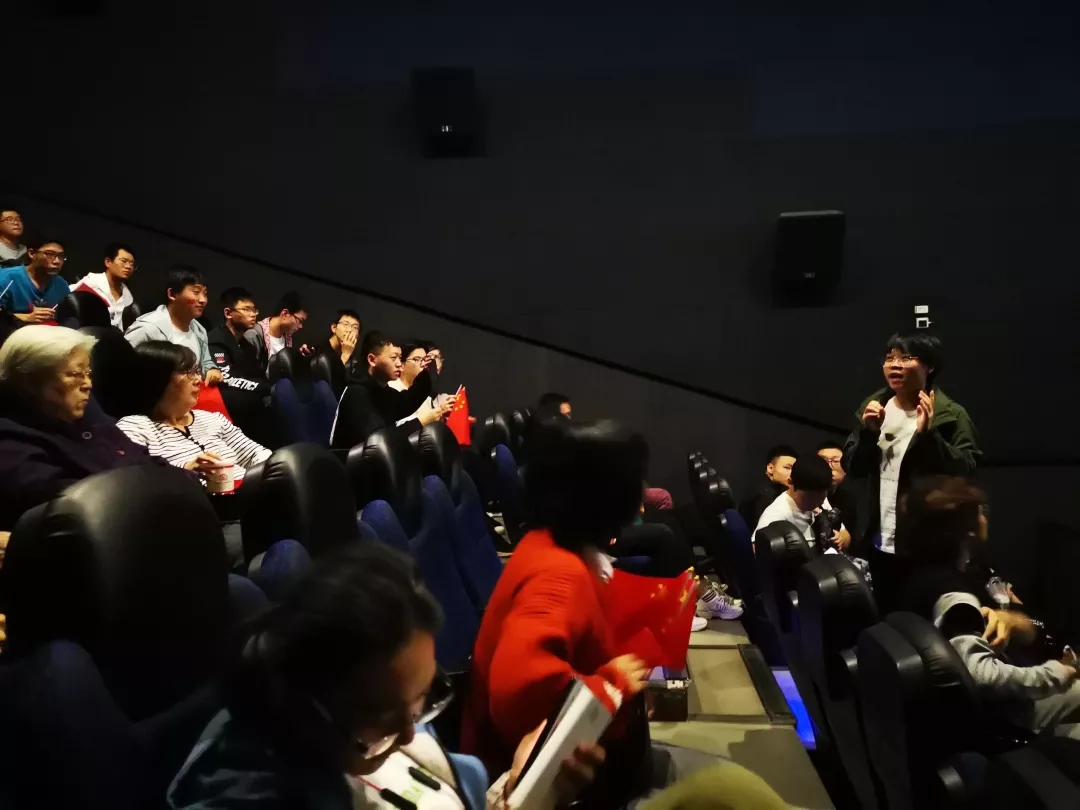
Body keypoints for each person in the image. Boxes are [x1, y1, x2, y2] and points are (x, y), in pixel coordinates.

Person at [168, 542, 604, 810]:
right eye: (384, 719)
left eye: (421, 701)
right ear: (312, 706)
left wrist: (525, 794)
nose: (410, 735)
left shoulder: (367, 715)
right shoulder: (249, 794)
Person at [461, 419, 719, 809]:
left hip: (598, 765)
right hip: (564, 788)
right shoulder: (559, 574)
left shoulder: (550, 544)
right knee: (731, 789)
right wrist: (612, 686)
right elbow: (516, 694)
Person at [900, 476, 1080, 740]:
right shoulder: (955, 596)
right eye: (981, 511)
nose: (985, 517)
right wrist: (1056, 673)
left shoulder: (923, 573)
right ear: (968, 529)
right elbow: (980, 675)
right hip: (1001, 716)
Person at [844, 332, 980, 613]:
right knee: (886, 619)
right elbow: (852, 468)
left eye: (906, 357)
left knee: (920, 620)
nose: (895, 365)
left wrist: (929, 437)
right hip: (879, 541)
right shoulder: (874, 407)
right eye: (890, 358)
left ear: (929, 367)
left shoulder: (950, 415)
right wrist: (869, 435)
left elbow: (966, 470)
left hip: (927, 546)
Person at [0, 326, 164, 529]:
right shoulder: (11, 442)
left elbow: (144, 457)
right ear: (31, 381)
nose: (88, 385)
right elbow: (76, 506)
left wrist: (182, 479)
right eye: (76, 374)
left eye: (88, 373)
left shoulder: (87, 416)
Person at [117, 341, 271, 483]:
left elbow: (257, 455)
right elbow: (135, 482)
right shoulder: (135, 427)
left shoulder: (212, 419)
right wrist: (185, 471)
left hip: (248, 492)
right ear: (158, 379)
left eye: (197, 371)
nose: (198, 380)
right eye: (188, 372)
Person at [330, 332, 453, 450]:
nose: (399, 364)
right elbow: (377, 440)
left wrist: (428, 373)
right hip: (350, 461)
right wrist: (420, 422)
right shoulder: (357, 392)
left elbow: (407, 401)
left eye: (400, 358)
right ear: (372, 360)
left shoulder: (381, 390)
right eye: (393, 358)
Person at [125, 266, 222, 386]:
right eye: (196, 292)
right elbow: (119, 366)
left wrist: (211, 369)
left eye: (205, 294)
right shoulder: (147, 329)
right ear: (172, 294)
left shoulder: (199, 330)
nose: (203, 300)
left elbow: (205, 362)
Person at [754, 455, 850, 551]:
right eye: (810, 497)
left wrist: (841, 538)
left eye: (821, 496)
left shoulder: (821, 500)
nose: (817, 503)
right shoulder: (776, 514)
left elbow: (846, 535)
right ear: (790, 482)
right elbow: (755, 549)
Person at [0, 235, 70, 323]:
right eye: (49, 254)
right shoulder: (7, 278)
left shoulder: (61, 284)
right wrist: (21, 317)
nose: (57, 261)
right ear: (32, 253)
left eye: (61, 256)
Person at [70, 242, 136, 329]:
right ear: (108, 262)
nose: (128, 267)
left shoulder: (127, 296)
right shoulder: (91, 282)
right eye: (123, 261)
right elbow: (66, 299)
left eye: (132, 264)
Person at [737, 444, 799, 530]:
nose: (792, 474)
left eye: (795, 470)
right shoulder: (763, 496)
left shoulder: (767, 488)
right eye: (787, 468)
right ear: (770, 468)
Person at [254, 291, 311, 369]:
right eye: (300, 321)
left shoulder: (287, 338)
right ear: (285, 314)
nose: (301, 326)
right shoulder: (255, 335)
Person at [817, 439, 858, 548]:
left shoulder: (855, 496)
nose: (829, 466)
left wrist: (846, 536)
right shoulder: (810, 493)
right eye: (823, 461)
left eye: (835, 461)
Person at [388, 340, 438, 424]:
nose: (423, 364)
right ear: (402, 364)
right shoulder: (390, 389)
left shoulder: (426, 397)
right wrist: (423, 420)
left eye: (425, 360)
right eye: (417, 359)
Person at [314, 309, 365, 386]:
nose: (349, 330)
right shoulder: (319, 351)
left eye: (355, 327)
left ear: (358, 336)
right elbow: (330, 384)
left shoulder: (354, 359)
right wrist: (345, 355)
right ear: (334, 328)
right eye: (345, 324)